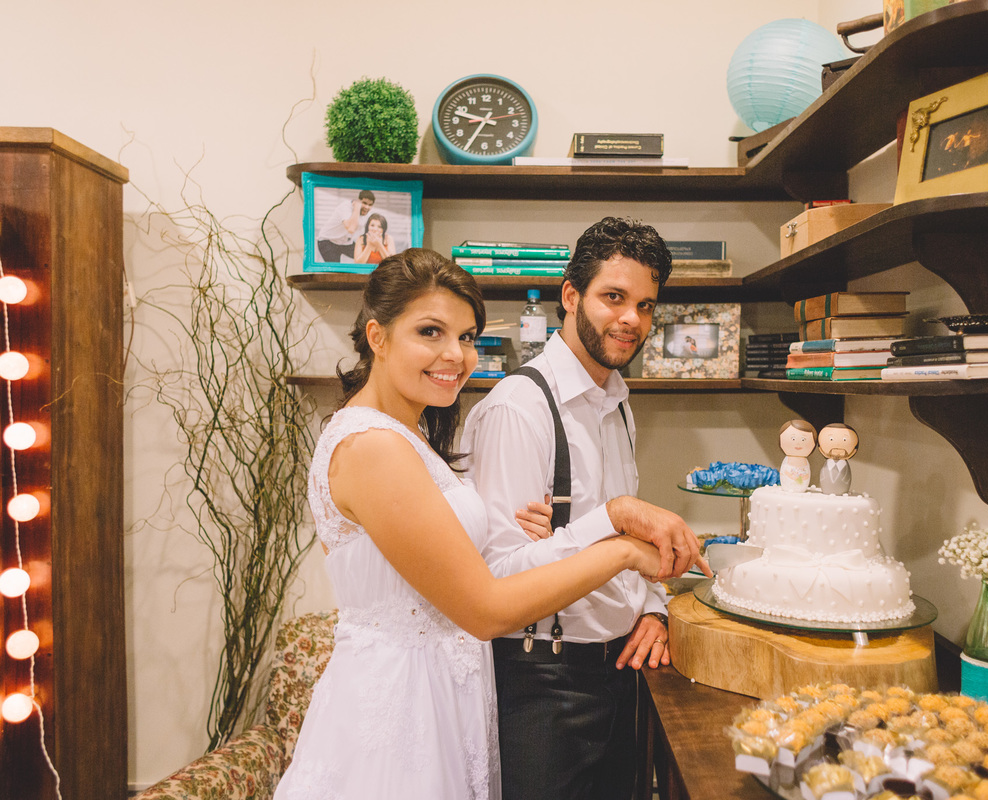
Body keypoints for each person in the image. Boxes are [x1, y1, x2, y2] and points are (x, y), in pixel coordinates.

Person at [273, 248, 699, 800]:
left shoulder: (408, 436)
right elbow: (485, 609)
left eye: (468, 336)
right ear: (377, 336)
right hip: (402, 706)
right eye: (430, 332)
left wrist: (558, 536)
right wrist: (620, 545)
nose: (455, 355)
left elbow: (463, 562)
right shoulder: (374, 447)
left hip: (443, 695)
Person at [461, 217, 711, 800]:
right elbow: (496, 584)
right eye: (614, 298)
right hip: (544, 685)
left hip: (623, 674)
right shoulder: (518, 409)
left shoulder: (618, 402)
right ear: (571, 296)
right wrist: (613, 519)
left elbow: (632, 559)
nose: (632, 320)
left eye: (645, 306)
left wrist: (653, 610)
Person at [316, 188, 375, 263]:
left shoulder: (367, 214)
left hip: (346, 243)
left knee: (367, 257)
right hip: (328, 241)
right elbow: (351, 229)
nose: (367, 207)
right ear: (358, 201)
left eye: (370, 205)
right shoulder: (345, 207)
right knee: (335, 269)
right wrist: (356, 208)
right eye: (364, 203)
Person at [818, 422, 858, 495]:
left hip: (842, 493)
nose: (838, 444)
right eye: (831, 439)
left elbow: (846, 478)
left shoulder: (844, 465)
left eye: (845, 439)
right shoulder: (827, 464)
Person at [778, 418, 816, 491]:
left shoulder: (804, 460)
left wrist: (803, 477)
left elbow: (806, 473)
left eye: (803, 439)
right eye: (793, 439)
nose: (798, 443)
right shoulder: (787, 459)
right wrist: (791, 476)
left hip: (802, 485)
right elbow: (785, 471)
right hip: (788, 486)